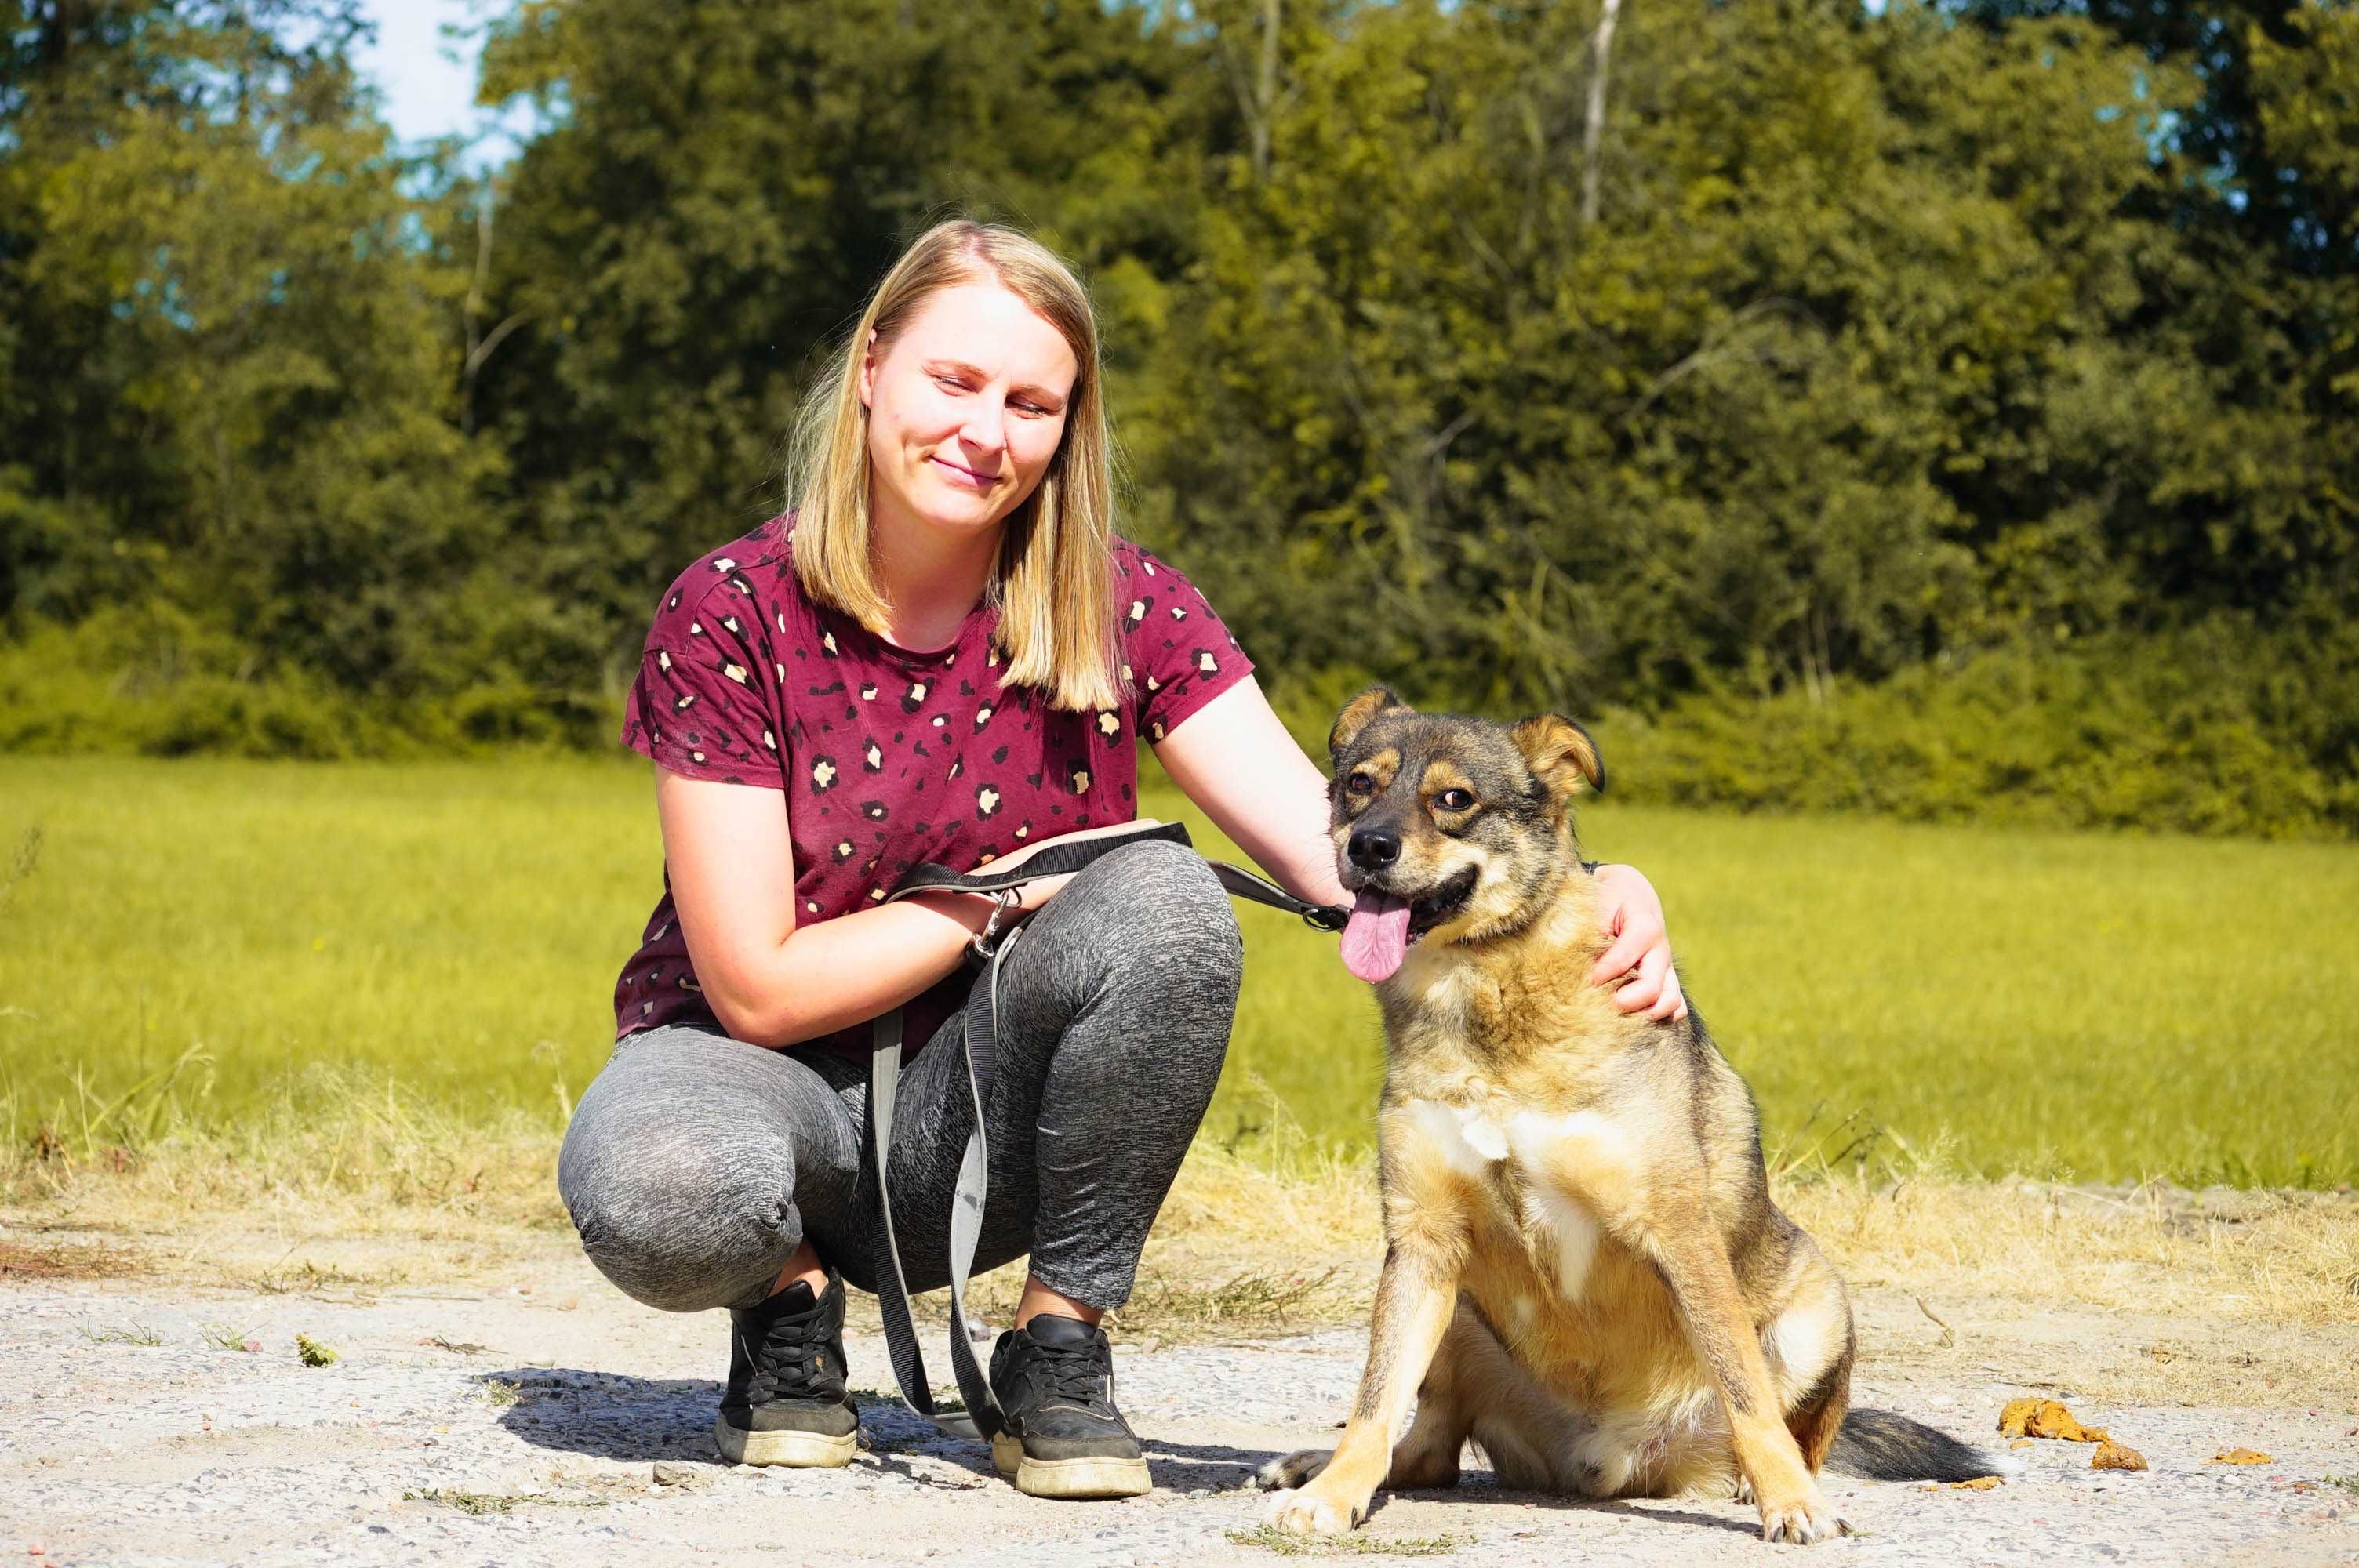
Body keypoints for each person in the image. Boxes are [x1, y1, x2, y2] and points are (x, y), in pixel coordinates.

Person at [555, 220, 1687, 1501]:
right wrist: (998, 900)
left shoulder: (1125, 602)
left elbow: (1342, 848)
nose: (987, 430)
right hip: (758, 1097)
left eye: (1032, 402)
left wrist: (1593, 896)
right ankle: (789, 1311)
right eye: (954, 381)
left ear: (1066, 428)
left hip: (979, 1121)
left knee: (1165, 899)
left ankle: (1059, 1348)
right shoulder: (731, 608)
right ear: (873, 365)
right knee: (655, 1182)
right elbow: (756, 988)